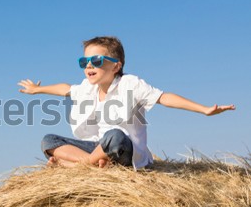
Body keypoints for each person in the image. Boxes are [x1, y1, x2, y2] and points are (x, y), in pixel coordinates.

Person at [18, 36, 235, 169]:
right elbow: (66, 89)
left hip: (124, 149)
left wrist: (204, 109)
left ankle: (80, 165)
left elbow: (164, 97)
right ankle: (94, 163)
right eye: (84, 61)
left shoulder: (130, 84)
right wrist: (38, 90)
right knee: (49, 140)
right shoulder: (87, 87)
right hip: (98, 147)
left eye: (96, 61)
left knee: (114, 135)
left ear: (116, 66)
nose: (88, 66)